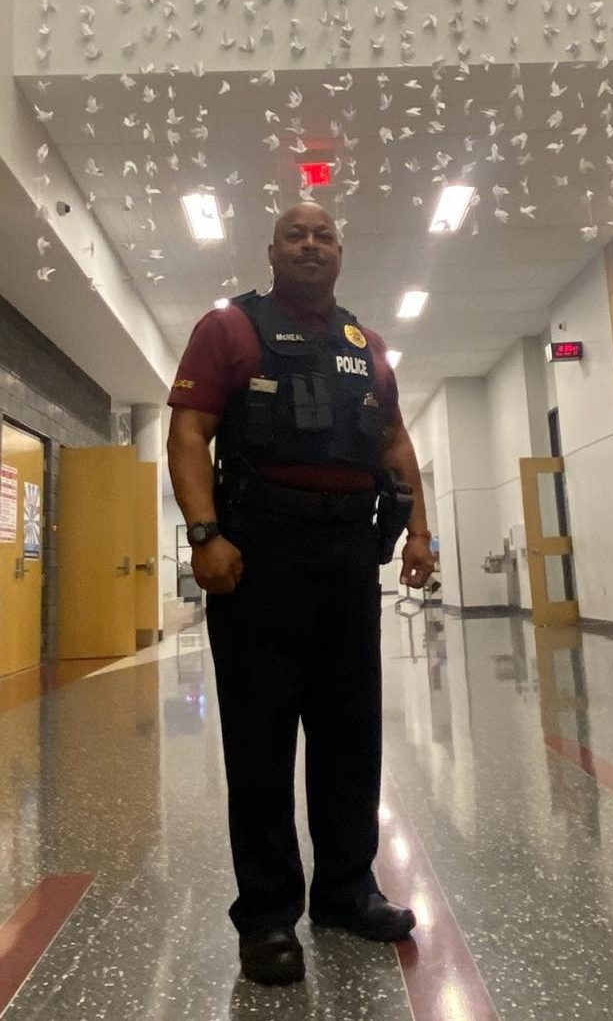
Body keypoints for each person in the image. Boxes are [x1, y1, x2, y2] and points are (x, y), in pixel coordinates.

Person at [166, 201, 435, 987]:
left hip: (350, 554)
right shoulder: (230, 331)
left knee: (351, 731)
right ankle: (267, 918)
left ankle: (347, 890)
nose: (310, 244)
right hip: (259, 555)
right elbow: (188, 432)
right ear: (273, 249)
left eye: (323, 235)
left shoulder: (366, 345)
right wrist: (204, 534)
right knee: (260, 737)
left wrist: (419, 532)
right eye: (295, 234)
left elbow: (393, 441)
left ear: (341, 253)